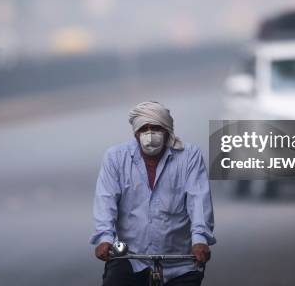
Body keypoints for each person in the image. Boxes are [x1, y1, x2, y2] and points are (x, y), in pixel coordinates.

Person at [90, 101, 216, 286]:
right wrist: (104, 238)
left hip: (180, 261)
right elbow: (105, 200)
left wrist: (200, 240)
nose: (150, 134)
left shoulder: (189, 156)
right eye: (144, 129)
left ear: (167, 131)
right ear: (135, 134)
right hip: (131, 258)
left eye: (156, 128)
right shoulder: (115, 158)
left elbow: (199, 200)